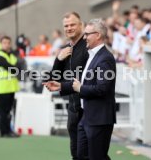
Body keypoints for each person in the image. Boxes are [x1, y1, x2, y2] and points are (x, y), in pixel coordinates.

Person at [45, 18, 116, 160]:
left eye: (87, 34)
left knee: (97, 157)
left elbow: (102, 89)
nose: (84, 38)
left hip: (99, 118)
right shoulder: (92, 55)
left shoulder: (105, 58)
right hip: (87, 117)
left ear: (98, 35)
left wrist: (80, 88)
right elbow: (82, 82)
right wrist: (62, 86)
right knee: (80, 155)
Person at [43, 12, 88, 160]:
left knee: (90, 154)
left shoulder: (88, 46)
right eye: (66, 26)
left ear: (81, 25)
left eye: (72, 24)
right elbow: (52, 79)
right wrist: (58, 60)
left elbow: (86, 79)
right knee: (76, 153)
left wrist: (63, 86)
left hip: (88, 108)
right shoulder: (65, 48)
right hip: (73, 108)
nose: (69, 28)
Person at [0, 36, 20, 138]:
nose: (6, 45)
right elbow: (9, 67)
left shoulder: (11, 55)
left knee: (8, 111)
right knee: (4, 111)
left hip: (11, 87)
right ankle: (4, 132)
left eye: (8, 43)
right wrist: (16, 68)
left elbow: (17, 66)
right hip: (2, 87)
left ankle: (8, 130)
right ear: (1, 44)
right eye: (4, 43)